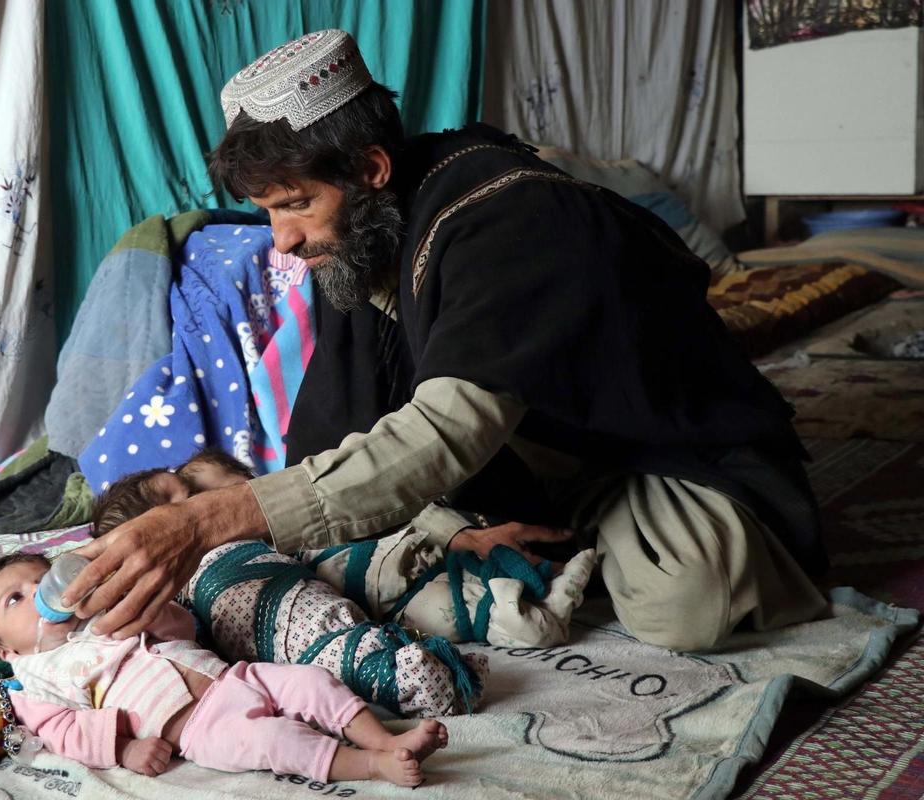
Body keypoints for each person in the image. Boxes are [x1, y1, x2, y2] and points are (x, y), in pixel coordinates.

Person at [66, 29, 827, 653]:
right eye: (269, 212)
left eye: (295, 205)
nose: (283, 241)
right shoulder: (360, 241)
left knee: (684, 607)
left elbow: (445, 431)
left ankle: (614, 532)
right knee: (352, 544)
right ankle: (547, 534)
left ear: (370, 169)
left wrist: (206, 519)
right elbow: (336, 436)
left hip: (652, 451)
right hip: (527, 454)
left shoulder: (510, 217)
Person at [0, 551, 447, 786]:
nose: (38, 595)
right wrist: (125, 749)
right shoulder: (39, 677)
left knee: (312, 681)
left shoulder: (104, 615)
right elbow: (65, 729)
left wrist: (145, 608)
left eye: (39, 580)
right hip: (199, 726)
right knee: (273, 743)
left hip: (235, 676)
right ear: (6, 651)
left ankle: (385, 739)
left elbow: (183, 629)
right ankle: (372, 765)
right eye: (16, 599)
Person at [95, 449, 596, 649]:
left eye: (190, 485)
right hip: (414, 591)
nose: (198, 512)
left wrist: (460, 532)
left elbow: (392, 499)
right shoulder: (229, 586)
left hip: (446, 530)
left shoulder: (307, 496)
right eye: (177, 513)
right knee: (453, 610)